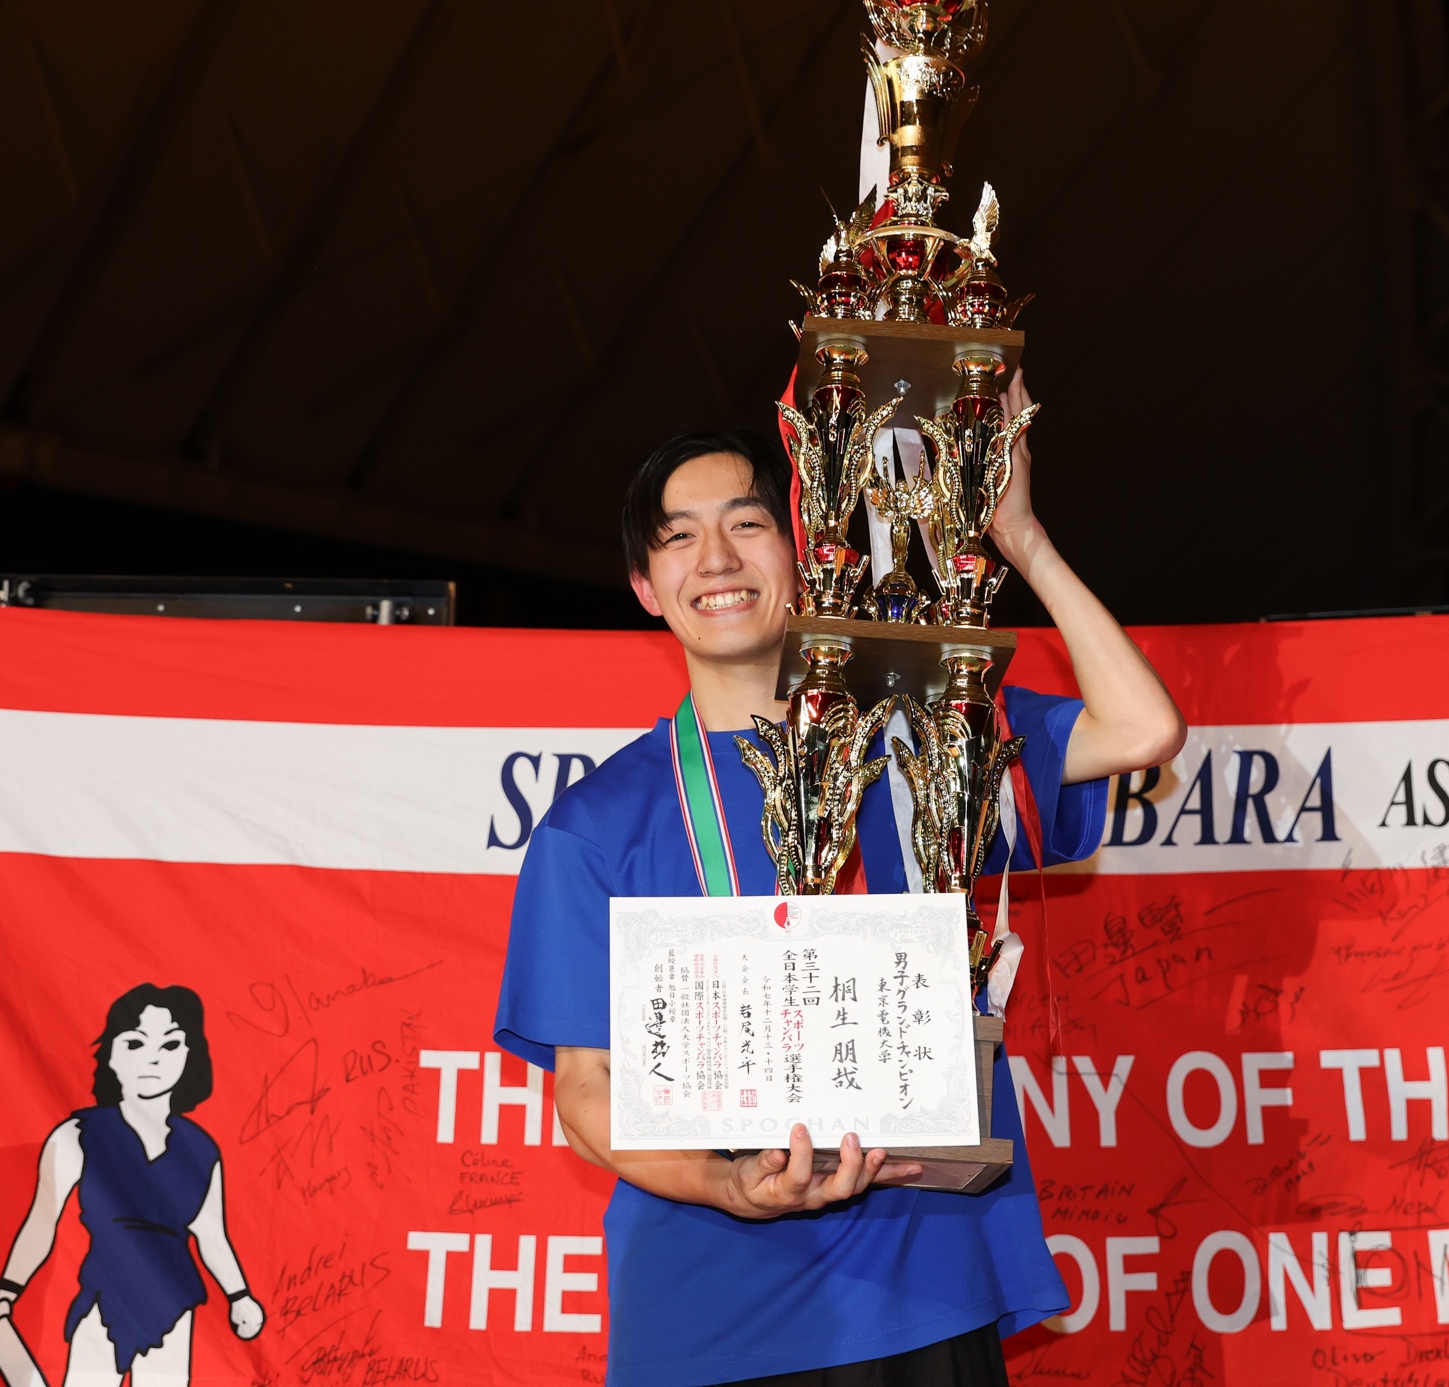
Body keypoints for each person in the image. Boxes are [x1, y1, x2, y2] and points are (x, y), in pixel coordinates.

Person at [495, 372, 1185, 1386]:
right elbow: (588, 1093)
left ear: (811, 551)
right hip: (709, 1314)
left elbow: (1143, 729)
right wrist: (729, 1186)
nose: (717, 559)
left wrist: (1019, 535)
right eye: (679, 537)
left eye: (748, 523)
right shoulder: (593, 827)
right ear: (645, 585)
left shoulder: (922, 742)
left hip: (921, 1288)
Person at [0, 984, 265, 1387]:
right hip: (105, 1296)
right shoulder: (76, 1135)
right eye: (135, 1043)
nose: (153, 1058)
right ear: (111, 1055)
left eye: (170, 1044)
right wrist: (8, 1291)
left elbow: (211, 1234)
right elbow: (42, 1221)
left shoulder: (201, 1148)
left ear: (190, 1055)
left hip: (174, 1301)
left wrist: (239, 1296)